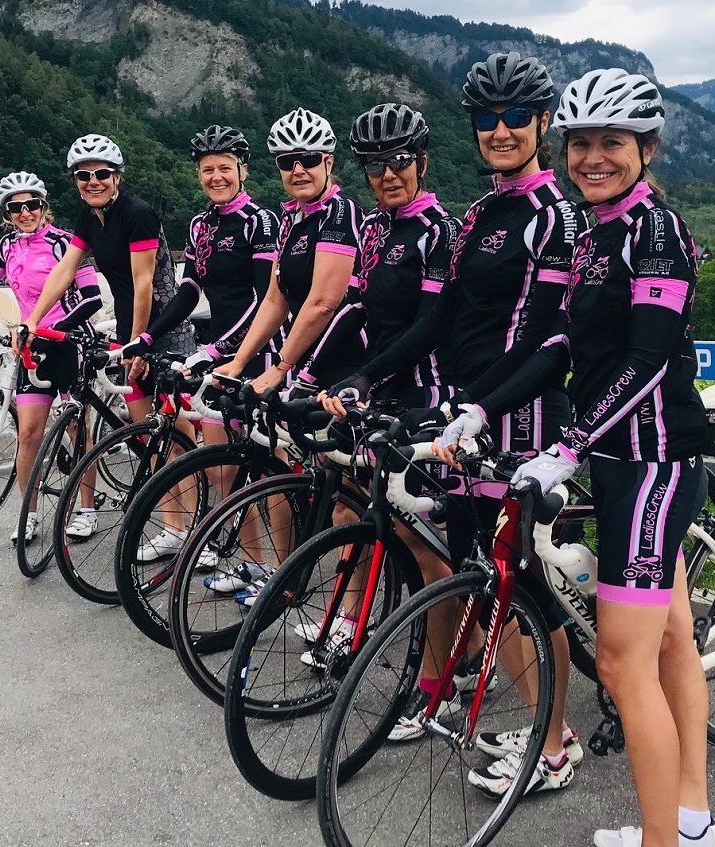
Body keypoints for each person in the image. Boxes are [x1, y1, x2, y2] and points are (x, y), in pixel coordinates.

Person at [439, 69, 713, 847]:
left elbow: (649, 359)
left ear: (647, 147)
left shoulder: (656, 232)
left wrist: (568, 444)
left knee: (624, 667)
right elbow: (558, 343)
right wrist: (481, 406)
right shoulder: (594, 234)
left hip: (654, 464)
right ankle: (691, 820)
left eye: (612, 142)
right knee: (671, 643)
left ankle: (664, 839)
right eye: (581, 142)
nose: (594, 156)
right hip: (622, 461)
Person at [327, 52, 586, 790]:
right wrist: (369, 377)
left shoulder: (554, 215)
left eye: (516, 117)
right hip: (471, 413)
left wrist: (474, 406)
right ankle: (515, 710)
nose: (501, 130)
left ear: (542, 123)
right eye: (487, 118)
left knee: (523, 589)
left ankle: (554, 747)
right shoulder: (477, 215)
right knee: (485, 575)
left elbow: (542, 338)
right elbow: (442, 318)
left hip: (521, 412)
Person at [318, 102, 465, 722]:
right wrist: (314, 374)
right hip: (383, 391)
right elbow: (354, 310)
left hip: (426, 395)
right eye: (375, 165)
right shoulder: (376, 230)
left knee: (424, 545)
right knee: (357, 507)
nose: (387, 173)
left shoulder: (439, 230)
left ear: (422, 162)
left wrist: (366, 374)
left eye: (399, 160)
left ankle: (439, 686)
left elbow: (431, 325)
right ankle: (368, 628)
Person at [211, 107, 366, 605]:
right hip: (306, 364)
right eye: (286, 161)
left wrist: (279, 368)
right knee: (285, 476)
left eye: (308, 159)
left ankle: (347, 618)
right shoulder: (291, 220)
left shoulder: (341, 214)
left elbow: (324, 301)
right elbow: (276, 299)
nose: (298, 169)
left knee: (348, 505)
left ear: (328, 161)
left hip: (346, 366)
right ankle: (284, 577)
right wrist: (240, 361)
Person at [21, 134, 195, 540]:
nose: (93, 181)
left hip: (163, 331)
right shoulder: (89, 216)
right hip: (130, 332)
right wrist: (32, 320)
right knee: (149, 435)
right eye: (83, 176)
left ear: (117, 176)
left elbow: (143, 282)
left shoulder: (137, 214)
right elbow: (65, 269)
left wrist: (139, 343)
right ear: (75, 181)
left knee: (177, 441)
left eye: (102, 174)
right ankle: (174, 530)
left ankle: (199, 527)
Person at [120, 124, 280, 563]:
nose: (216, 177)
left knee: (272, 474)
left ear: (243, 170)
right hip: (220, 352)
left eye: (225, 168)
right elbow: (189, 291)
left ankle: (286, 573)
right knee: (222, 469)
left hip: (262, 351)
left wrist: (216, 350)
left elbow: (264, 301)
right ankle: (253, 564)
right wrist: (147, 336)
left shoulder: (261, 221)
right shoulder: (200, 225)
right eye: (207, 170)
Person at [0, 171, 102, 544]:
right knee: (28, 434)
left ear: (44, 206)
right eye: (16, 208)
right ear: (7, 213)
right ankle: (28, 514)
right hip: (32, 347)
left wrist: (49, 328)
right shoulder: (6, 246)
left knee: (77, 429)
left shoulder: (65, 243)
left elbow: (92, 298)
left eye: (32, 205)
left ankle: (86, 509)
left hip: (69, 343)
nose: (25, 212)